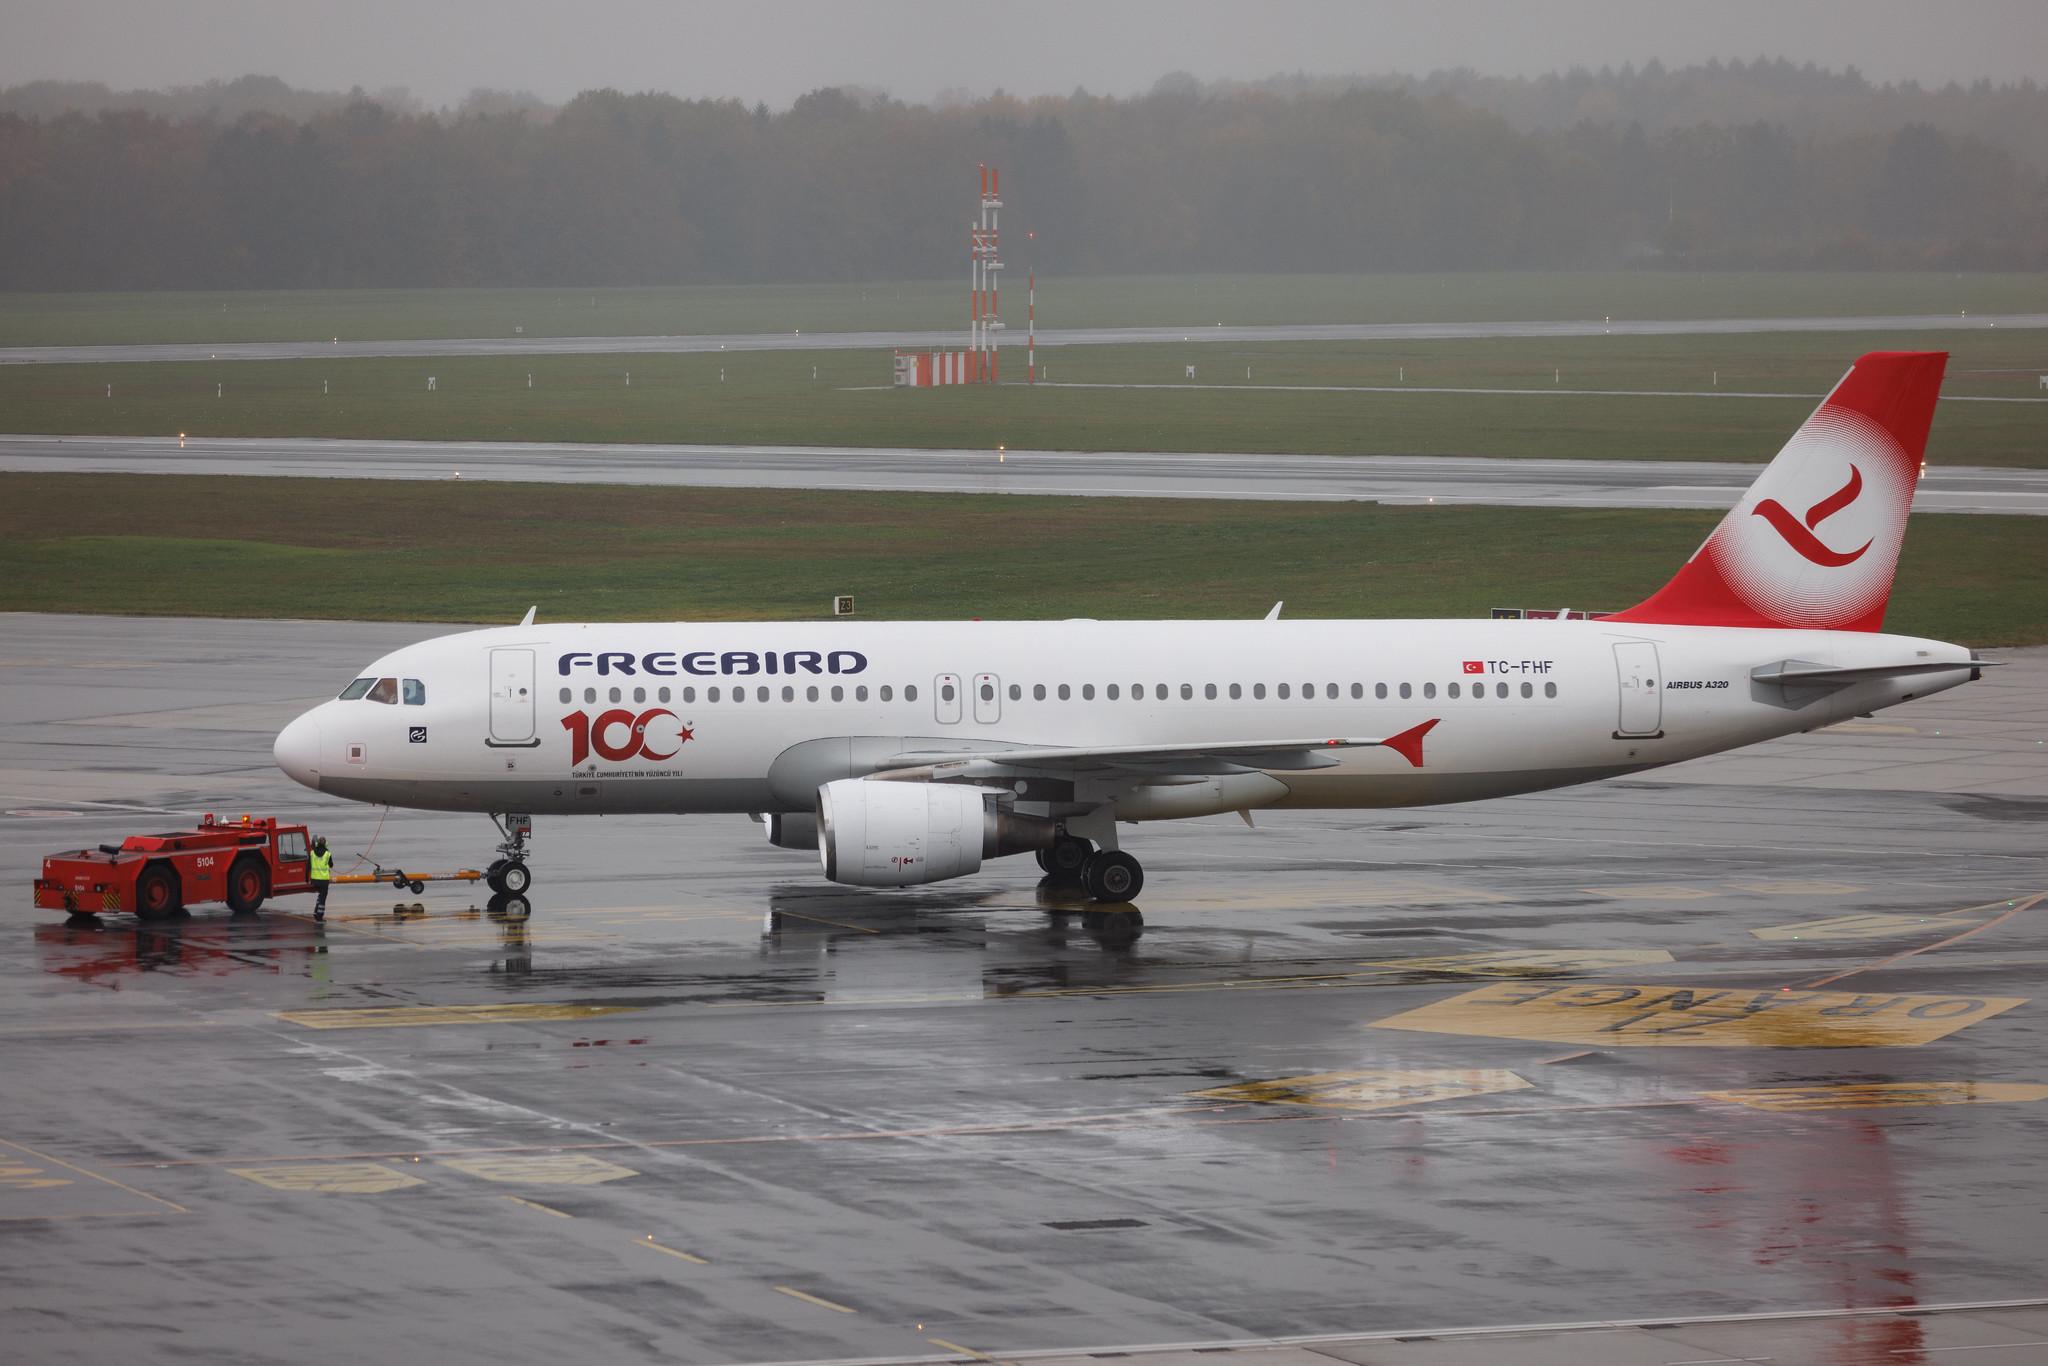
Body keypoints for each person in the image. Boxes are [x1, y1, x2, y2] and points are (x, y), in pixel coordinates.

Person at [309, 836, 333, 921]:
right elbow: (331, 865)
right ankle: (319, 916)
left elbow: (308, 866)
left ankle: (316, 912)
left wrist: (307, 879)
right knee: (322, 898)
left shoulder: (312, 853)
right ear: (325, 844)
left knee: (320, 896)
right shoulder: (327, 853)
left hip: (314, 880)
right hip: (324, 880)